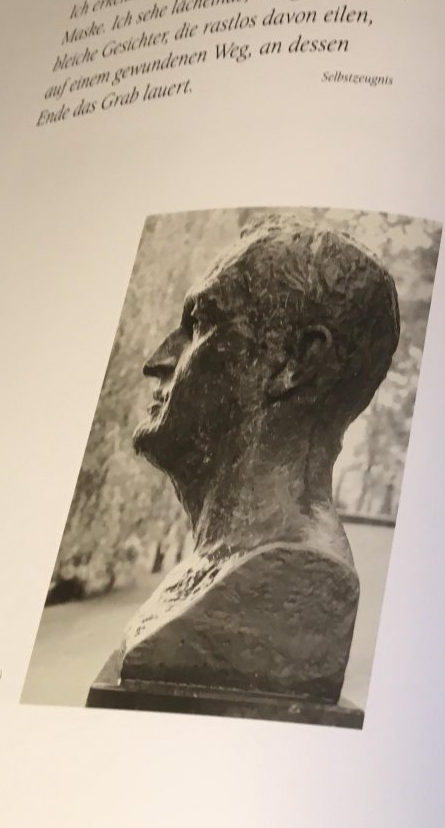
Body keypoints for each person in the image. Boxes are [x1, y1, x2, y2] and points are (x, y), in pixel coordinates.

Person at [108, 217, 400, 704]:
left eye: (200, 324)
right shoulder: (220, 565)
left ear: (296, 363)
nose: (157, 360)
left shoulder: (299, 578)